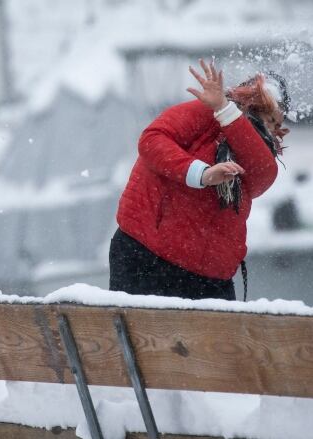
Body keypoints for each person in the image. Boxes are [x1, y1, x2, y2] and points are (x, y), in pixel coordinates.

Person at [109, 59, 290, 300]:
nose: (271, 127)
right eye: (266, 116)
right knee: (142, 336)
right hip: (148, 256)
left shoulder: (256, 153)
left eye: (276, 123)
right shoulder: (207, 113)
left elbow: (263, 175)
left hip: (209, 278)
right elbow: (152, 140)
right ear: (249, 104)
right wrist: (201, 174)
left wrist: (228, 114)